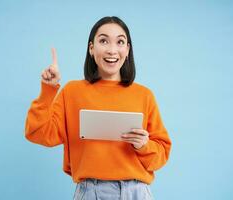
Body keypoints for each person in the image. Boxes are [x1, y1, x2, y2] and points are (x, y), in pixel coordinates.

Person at [24, 16, 172, 200]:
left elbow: (161, 155)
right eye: (103, 41)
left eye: (120, 42)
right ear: (91, 48)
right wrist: (48, 90)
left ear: (127, 50)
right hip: (90, 192)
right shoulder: (72, 92)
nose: (112, 50)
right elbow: (38, 133)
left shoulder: (144, 95)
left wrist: (143, 145)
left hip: (136, 193)